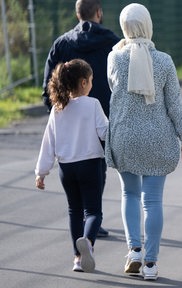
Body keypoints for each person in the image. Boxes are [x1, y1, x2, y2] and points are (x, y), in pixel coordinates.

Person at [105, 3, 182, 281]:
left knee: (129, 194)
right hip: (158, 138)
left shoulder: (114, 58)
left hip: (124, 136)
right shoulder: (165, 61)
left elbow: (112, 88)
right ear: (148, 24)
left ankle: (134, 251)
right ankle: (152, 265)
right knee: (152, 200)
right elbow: (174, 104)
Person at [41, 0, 120, 238]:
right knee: (97, 168)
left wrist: (58, 110)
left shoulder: (62, 44)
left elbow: (48, 86)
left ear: (77, 15)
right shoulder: (114, 43)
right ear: (98, 13)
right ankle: (93, 215)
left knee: (72, 198)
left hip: (68, 120)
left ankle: (84, 223)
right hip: (107, 114)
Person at [35, 59, 109, 273]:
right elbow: (105, 132)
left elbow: (48, 141)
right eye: (92, 80)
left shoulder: (57, 108)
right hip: (91, 163)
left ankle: (77, 259)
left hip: (66, 168)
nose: (93, 84)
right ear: (84, 82)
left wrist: (41, 172)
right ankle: (88, 242)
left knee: (74, 211)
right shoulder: (92, 103)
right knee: (93, 211)